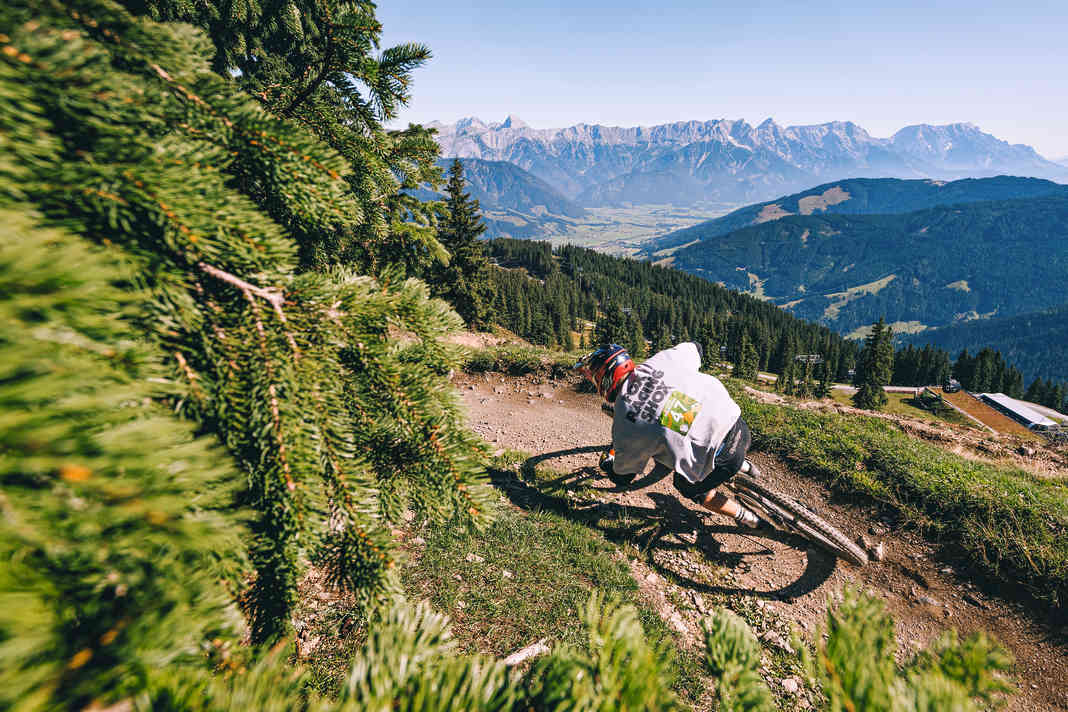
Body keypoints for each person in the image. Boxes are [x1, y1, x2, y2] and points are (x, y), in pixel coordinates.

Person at [575, 342, 764, 528]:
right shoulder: (658, 362)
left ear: (604, 379)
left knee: (686, 486)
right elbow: (696, 347)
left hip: (724, 459)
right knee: (696, 424)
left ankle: (748, 518)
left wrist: (609, 466)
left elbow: (623, 477)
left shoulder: (624, 423)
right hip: (738, 425)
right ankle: (745, 466)